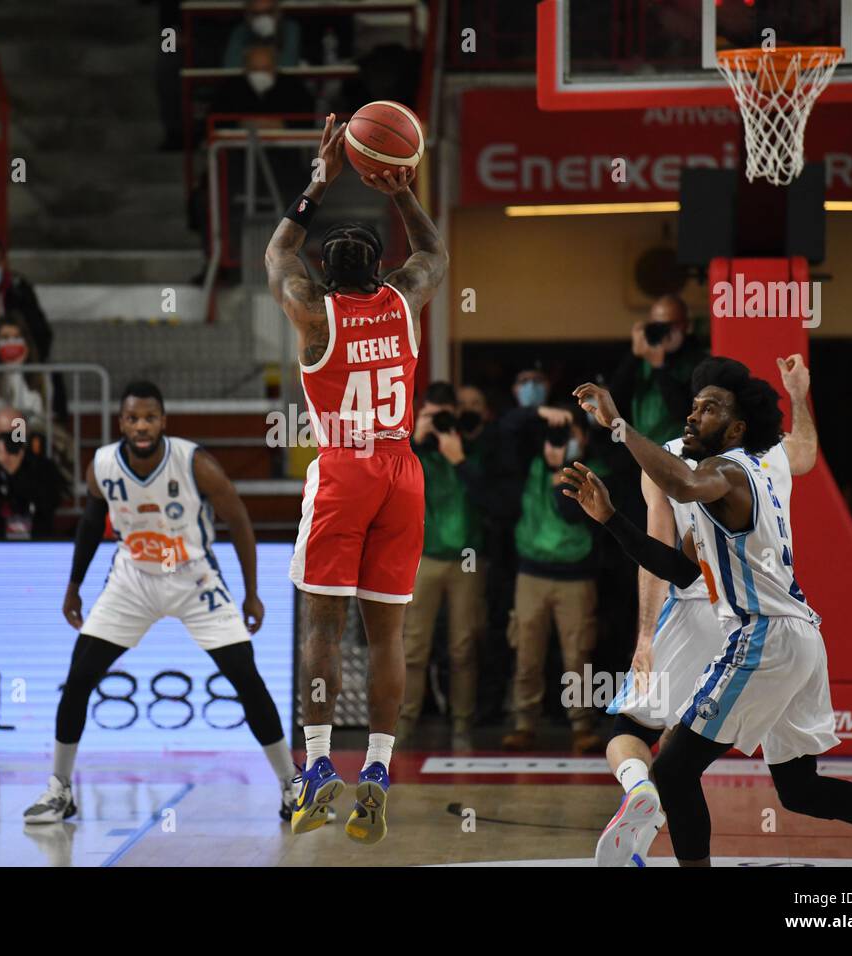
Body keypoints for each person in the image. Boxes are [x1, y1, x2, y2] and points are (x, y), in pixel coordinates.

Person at [566, 359, 852, 868]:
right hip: (799, 638)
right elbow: (680, 568)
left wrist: (619, 428)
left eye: (708, 410)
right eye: (692, 407)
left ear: (736, 429)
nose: (692, 417)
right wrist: (610, 519)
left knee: (671, 771)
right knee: (800, 789)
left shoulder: (726, 472)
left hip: (764, 639)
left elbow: (683, 486)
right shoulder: (735, 481)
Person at [265, 113, 448, 844]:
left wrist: (320, 180)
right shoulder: (403, 304)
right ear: (380, 271)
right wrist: (400, 191)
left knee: (320, 627)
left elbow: (279, 251)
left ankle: (317, 767)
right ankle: (376, 768)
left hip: (344, 464)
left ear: (325, 276)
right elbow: (433, 252)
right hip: (403, 471)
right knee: (387, 637)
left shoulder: (313, 315)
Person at [23, 381, 301, 823]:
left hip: (194, 579)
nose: (141, 425)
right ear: (122, 423)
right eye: (133, 418)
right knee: (78, 679)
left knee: (246, 678)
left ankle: (292, 786)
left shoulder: (195, 463)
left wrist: (252, 591)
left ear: (163, 421)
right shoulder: (103, 466)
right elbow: (93, 521)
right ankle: (60, 788)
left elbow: (240, 520)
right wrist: (74, 584)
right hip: (132, 580)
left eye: (149, 417)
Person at [595, 354, 819, 867]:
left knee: (634, 733)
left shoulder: (668, 460)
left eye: (706, 405)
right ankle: (655, 821)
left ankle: (640, 794)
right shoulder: (767, 454)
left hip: (703, 606)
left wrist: (646, 635)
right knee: (699, 756)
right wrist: (800, 394)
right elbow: (805, 452)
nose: (697, 413)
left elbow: (658, 552)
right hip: (766, 618)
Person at [502, 404, 604, 755]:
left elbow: (571, 514)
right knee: (527, 652)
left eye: (568, 435)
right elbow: (506, 428)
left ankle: (582, 724)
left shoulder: (590, 473)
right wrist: (540, 413)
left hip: (575, 577)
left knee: (578, 655)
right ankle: (524, 723)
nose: (559, 443)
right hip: (531, 573)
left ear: (583, 438)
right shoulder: (528, 467)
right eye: (555, 437)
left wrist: (561, 471)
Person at [399, 382, 493, 752]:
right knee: (414, 647)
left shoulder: (471, 444)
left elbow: (490, 496)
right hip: (424, 557)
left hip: (467, 560)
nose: (439, 423)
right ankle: (403, 726)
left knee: (462, 647)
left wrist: (458, 456)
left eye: (445, 416)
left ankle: (461, 727)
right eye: (432, 415)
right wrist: (412, 439)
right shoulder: (411, 450)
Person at [608, 294, 706, 446]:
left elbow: (683, 412)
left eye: (671, 326)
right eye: (658, 326)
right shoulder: (641, 358)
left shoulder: (698, 361)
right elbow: (615, 400)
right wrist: (634, 356)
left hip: (681, 447)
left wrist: (660, 367)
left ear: (686, 326)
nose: (664, 332)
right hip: (644, 447)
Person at [0, 405, 61, 540]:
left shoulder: (43, 467)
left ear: (26, 433)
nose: (11, 440)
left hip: (36, 549)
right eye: (4, 435)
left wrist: (16, 471)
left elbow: (48, 504)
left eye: (16, 434)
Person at [222, 0, 301, 69]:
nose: (263, 18)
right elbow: (231, 67)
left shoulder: (290, 29)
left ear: (279, 13)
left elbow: (288, 66)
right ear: (247, 16)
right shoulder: (240, 31)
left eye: (269, 12)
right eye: (256, 14)